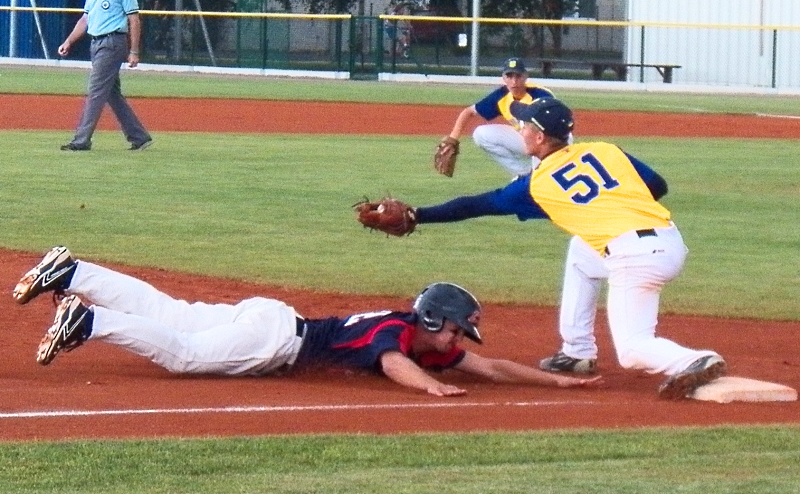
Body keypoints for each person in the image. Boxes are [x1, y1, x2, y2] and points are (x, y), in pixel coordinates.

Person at [374, 97, 727, 399]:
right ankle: (577, 352)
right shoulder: (604, 149)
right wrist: (606, 207)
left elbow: (478, 204)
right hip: (667, 239)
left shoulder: (539, 184)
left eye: (524, 126)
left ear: (540, 137)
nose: (520, 131)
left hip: (634, 258)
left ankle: (694, 361)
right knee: (581, 254)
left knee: (633, 350)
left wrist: (419, 215)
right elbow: (657, 185)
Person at [12, 246, 602, 397]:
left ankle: (74, 271)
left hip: (268, 319)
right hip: (273, 339)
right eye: (453, 329)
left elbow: (492, 366)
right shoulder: (397, 334)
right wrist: (431, 388)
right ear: (432, 317)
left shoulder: (420, 337)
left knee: (172, 313)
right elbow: (394, 363)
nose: (456, 341)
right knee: (183, 354)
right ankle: (88, 324)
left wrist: (559, 380)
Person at [440, 57, 562, 178]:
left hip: (552, 140)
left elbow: (557, 124)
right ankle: (523, 174)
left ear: (525, 76)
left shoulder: (541, 95)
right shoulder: (501, 96)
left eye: (518, 76)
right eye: (509, 76)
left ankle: (541, 175)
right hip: (526, 138)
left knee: (542, 177)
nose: (514, 81)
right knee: (480, 134)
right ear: (503, 78)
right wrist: (452, 139)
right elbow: (469, 112)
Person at [57, 0, 152, 151]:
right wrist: (69, 41)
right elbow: (84, 19)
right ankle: (139, 137)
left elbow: (134, 20)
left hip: (112, 42)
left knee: (96, 91)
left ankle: (81, 140)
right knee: (112, 94)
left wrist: (134, 51)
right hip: (96, 42)